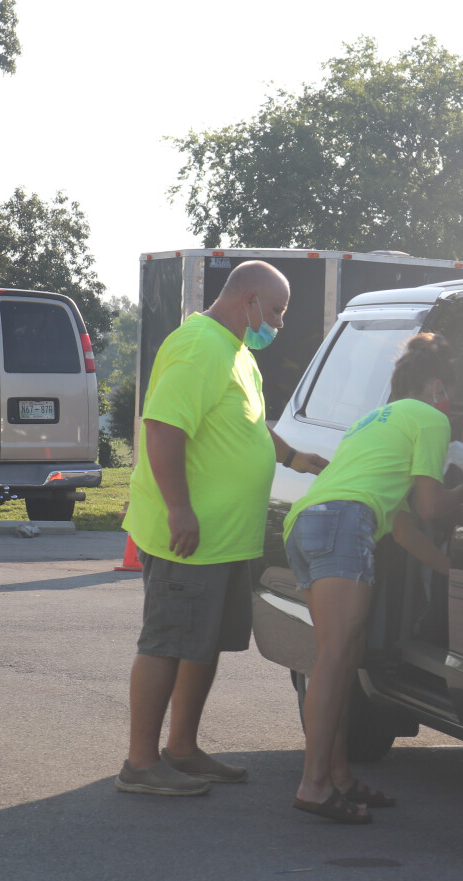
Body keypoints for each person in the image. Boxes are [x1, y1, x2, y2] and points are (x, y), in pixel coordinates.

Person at [117, 261, 327, 797]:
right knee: (167, 642)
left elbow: (250, 428)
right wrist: (179, 510)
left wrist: (294, 457)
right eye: (275, 311)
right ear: (248, 300)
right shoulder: (200, 347)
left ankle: (181, 750)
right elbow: (162, 429)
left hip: (224, 539)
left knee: (201, 643)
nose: (278, 324)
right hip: (190, 535)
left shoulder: (237, 352)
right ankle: (140, 763)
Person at [283, 333, 461, 823]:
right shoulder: (432, 418)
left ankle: (338, 777)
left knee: (340, 658)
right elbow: (429, 506)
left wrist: (450, 571)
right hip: (344, 522)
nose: (452, 402)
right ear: (437, 385)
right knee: (336, 659)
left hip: (306, 522)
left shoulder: (372, 420)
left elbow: (401, 526)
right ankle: (313, 784)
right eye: (451, 392)